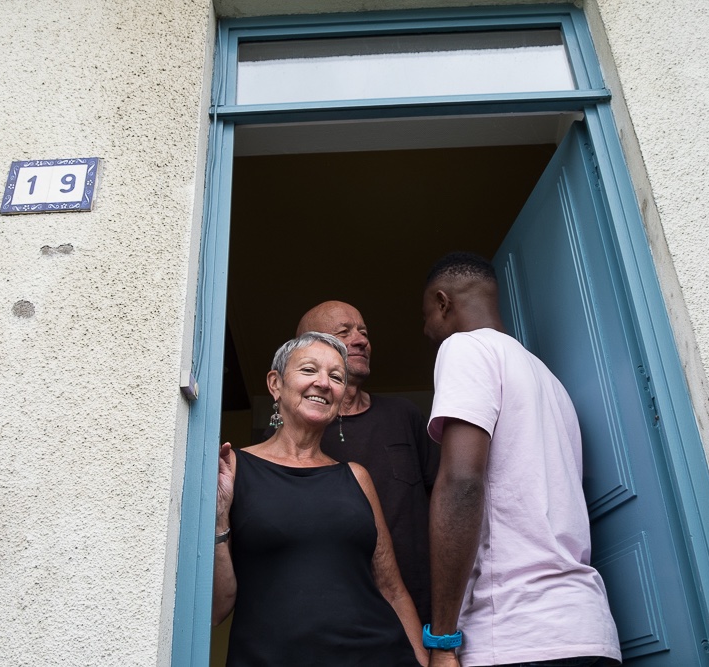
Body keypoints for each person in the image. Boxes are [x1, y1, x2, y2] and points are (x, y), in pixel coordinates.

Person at [420, 252, 621, 667]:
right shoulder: (546, 378)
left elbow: (462, 483)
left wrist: (442, 639)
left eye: (427, 318)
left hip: (516, 631)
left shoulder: (464, 348)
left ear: (443, 303)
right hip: (588, 631)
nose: (427, 332)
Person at [213, 331, 428, 667]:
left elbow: (392, 589)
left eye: (336, 376)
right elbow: (215, 609)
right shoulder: (232, 469)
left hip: (380, 655)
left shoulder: (356, 477)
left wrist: (423, 660)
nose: (324, 383)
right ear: (275, 384)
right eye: (309, 370)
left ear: (342, 397)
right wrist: (218, 517)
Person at [294, 300, 440, 623]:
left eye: (363, 332)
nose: (361, 340)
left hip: (419, 611)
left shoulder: (405, 416)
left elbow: (441, 504)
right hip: (340, 619)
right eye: (344, 333)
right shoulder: (299, 433)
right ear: (311, 350)